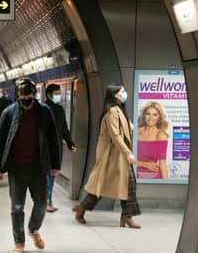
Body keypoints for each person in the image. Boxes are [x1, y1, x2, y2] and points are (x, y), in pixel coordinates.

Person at [0, 78, 61, 253]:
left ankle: (33, 228)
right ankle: (19, 242)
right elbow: (0, 141)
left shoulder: (44, 112)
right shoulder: (8, 113)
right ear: (17, 95)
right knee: (17, 207)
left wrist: (56, 165)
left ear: (34, 94)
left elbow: (53, 140)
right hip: (17, 168)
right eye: (22, 96)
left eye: (29, 95)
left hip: (39, 167)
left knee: (41, 203)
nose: (25, 99)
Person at [72, 84, 141, 228]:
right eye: (122, 91)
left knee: (128, 185)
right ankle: (82, 208)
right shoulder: (112, 112)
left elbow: (122, 130)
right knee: (102, 186)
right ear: (115, 94)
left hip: (118, 155)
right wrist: (128, 153)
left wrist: (130, 127)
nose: (125, 93)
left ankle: (127, 216)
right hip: (112, 155)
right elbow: (115, 135)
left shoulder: (119, 109)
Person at [44, 84, 77, 212]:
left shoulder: (59, 109)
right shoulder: (42, 109)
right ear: (49, 94)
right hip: (44, 147)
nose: (59, 95)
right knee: (46, 173)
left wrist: (70, 143)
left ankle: (48, 200)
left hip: (57, 147)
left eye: (59, 93)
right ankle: (46, 200)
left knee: (52, 173)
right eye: (56, 93)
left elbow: (64, 129)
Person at [136, 101, 169, 179]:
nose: (151, 118)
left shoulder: (161, 135)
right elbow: (126, 158)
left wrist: (166, 184)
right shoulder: (135, 132)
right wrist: (145, 164)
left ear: (159, 117)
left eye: (155, 115)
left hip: (154, 177)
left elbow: (162, 163)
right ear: (144, 115)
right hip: (135, 175)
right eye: (148, 114)